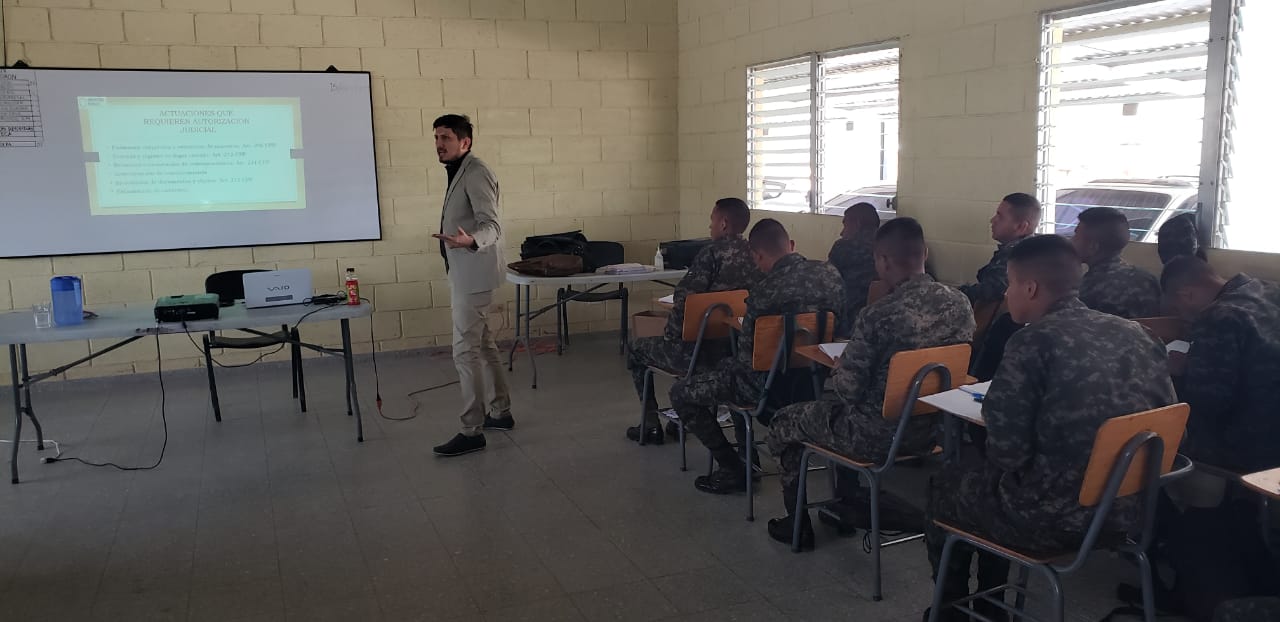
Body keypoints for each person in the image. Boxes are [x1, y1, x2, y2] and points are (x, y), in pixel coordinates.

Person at [925, 235, 1175, 621]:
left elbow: (1006, 453)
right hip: (1128, 512)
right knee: (990, 483)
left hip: (1051, 520)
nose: (1006, 293)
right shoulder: (1139, 334)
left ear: (1030, 288)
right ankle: (992, 607)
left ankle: (952, 609)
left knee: (945, 485)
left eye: (1010, 284)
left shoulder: (1032, 341)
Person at [764, 218, 975, 547]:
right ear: (924, 253)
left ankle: (797, 525)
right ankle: (848, 501)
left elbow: (847, 391)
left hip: (874, 437)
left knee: (784, 421)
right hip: (933, 432)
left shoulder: (878, 315)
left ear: (883, 261)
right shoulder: (961, 304)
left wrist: (841, 367)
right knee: (839, 414)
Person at [668, 219, 845, 495]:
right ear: (791, 245)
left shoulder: (764, 291)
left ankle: (733, 467)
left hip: (767, 388)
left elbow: (748, 358)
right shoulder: (830, 275)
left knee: (682, 392)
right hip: (812, 381)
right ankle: (746, 456)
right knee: (729, 370)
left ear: (757, 256)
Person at [625, 198, 763, 444]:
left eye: (712, 220)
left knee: (635, 348)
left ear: (723, 223)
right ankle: (685, 422)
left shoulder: (711, 254)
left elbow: (684, 299)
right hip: (734, 351)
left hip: (697, 353)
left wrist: (672, 333)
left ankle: (651, 424)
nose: (710, 226)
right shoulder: (756, 254)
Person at [429, 114, 514, 457]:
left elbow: (491, 224)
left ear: (465, 142)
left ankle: (471, 430)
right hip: (466, 272)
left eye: (446, 138)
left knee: (465, 351)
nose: (439, 144)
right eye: (437, 137)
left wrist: (471, 240)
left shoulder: (476, 171)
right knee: (484, 345)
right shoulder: (459, 169)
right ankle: (501, 412)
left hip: (474, 274)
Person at [1161, 256, 1280, 473]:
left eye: (1178, 309)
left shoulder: (1217, 317)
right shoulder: (1268, 290)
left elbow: (1208, 401)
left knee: (1154, 440)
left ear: (1187, 294)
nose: (1182, 317)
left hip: (1253, 445)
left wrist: (1184, 371)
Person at [963, 193, 1042, 381]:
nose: (993, 220)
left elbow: (993, 289)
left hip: (997, 340)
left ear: (1021, 226)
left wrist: (955, 294)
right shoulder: (1032, 249)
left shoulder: (1018, 255)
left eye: (1000, 216)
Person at [1072, 207, 1162, 319]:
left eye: (1076, 236)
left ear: (1092, 246)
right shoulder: (1148, 279)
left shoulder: (1086, 288)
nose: (1071, 241)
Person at [828, 202, 881, 337]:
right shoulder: (892, 246)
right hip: (885, 319)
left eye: (845, 225)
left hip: (850, 322)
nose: (841, 233)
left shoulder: (843, 247)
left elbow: (828, 281)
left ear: (857, 224)